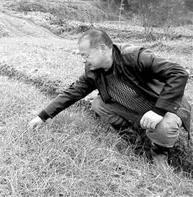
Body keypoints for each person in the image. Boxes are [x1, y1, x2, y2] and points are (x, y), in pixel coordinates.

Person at [28, 29, 191, 167]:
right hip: (136, 107)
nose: (84, 59)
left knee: (165, 125)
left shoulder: (134, 56)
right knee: (98, 104)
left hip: (162, 107)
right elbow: (72, 92)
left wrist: (159, 110)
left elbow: (179, 73)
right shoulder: (93, 70)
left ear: (102, 48)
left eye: (86, 55)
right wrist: (42, 116)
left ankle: (158, 153)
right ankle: (133, 137)